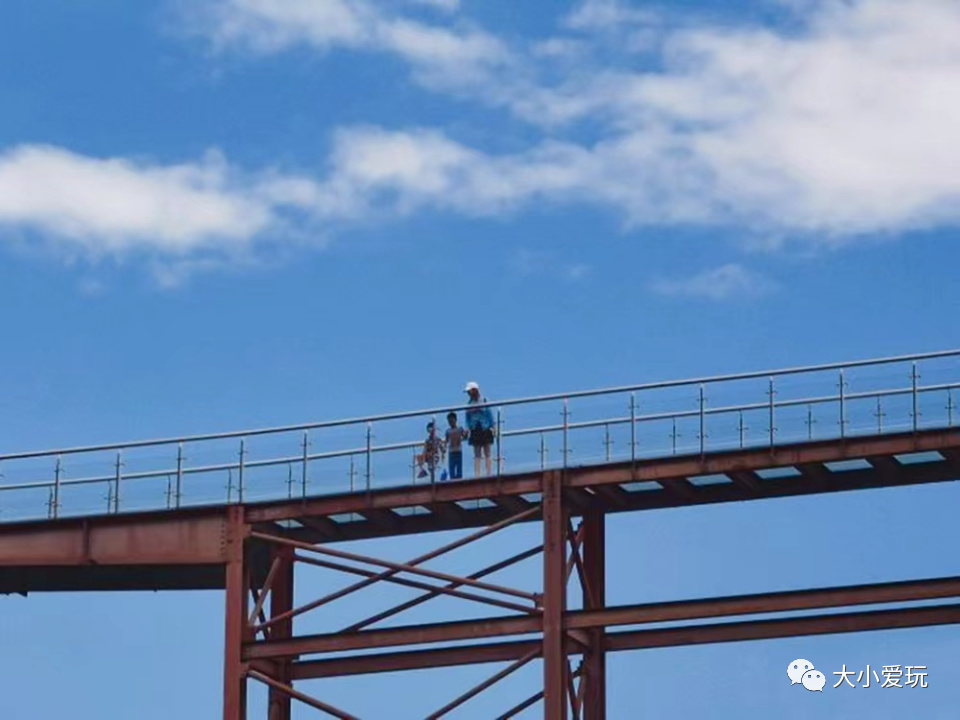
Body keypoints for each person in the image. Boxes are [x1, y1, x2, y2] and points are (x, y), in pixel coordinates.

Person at [464, 381, 495, 477]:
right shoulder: (469, 404)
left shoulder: (484, 400)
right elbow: (467, 418)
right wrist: (467, 428)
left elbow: (490, 414)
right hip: (475, 429)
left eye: (469, 391)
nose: (468, 393)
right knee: (477, 453)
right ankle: (477, 475)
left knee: (487, 452)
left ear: (474, 390)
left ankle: (489, 474)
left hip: (485, 428)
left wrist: (493, 426)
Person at [445, 411, 468, 480]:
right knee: (451, 470)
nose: (451, 423)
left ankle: (459, 481)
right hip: (451, 452)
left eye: (452, 421)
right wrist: (443, 448)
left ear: (455, 420)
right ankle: (452, 482)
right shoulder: (448, 431)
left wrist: (467, 433)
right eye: (449, 421)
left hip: (458, 451)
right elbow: (446, 441)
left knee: (459, 470)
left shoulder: (460, 429)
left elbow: (465, 437)